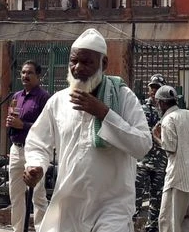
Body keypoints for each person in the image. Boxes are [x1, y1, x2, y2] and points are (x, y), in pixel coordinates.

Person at [23, 28, 152, 232]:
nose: (78, 68)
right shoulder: (59, 101)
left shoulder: (123, 98)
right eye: (73, 61)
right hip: (68, 205)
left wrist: (104, 113)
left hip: (112, 207)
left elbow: (143, 145)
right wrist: (36, 166)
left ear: (104, 63)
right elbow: (38, 142)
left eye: (87, 62)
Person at [153, 85, 189, 232]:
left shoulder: (168, 120)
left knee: (167, 221)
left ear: (162, 103)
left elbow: (170, 148)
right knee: (182, 219)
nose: (157, 105)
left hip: (177, 179)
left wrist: (157, 138)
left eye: (157, 102)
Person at [7, 60, 50, 232]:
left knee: (38, 195)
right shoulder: (16, 96)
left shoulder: (43, 98)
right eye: (23, 72)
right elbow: (12, 118)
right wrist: (11, 124)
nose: (25, 76)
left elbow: (46, 128)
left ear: (38, 76)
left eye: (30, 73)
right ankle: (18, 229)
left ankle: (43, 229)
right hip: (16, 149)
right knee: (16, 195)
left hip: (35, 151)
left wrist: (22, 125)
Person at [135, 74, 169, 232]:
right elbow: (143, 132)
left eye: (156, 88)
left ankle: (152, 228)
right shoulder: (142, 109)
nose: (153, 91)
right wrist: (156, 135)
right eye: (151, 88)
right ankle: (133, 226)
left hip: (160, 162)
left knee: (157, 199)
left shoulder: (167, 112)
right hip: (143, 161)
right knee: (136, 197)